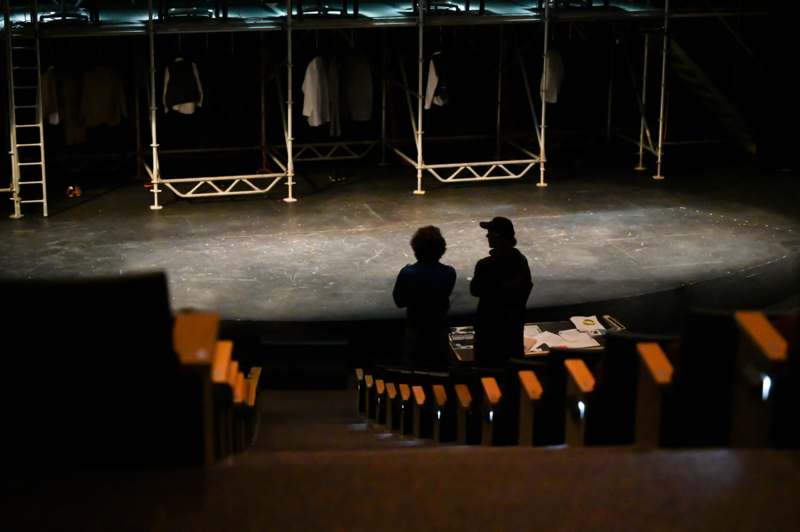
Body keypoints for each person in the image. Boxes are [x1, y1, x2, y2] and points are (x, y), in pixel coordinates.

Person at [470, 217, 533, 366]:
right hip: (513, 330)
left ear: (497, 237)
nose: (487, 236)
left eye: (490, 233)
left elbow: (475, 290)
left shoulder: (486, 265)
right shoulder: (521, 260)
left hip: (489, 332)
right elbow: (527, 287)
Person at [393, 226, 456, 369]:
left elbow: (399, 301)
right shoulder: (449, 272)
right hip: (438, 328)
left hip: (415, 328)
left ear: (416, 249)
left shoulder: (408, 273)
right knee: (439, 366)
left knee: (414, 367)